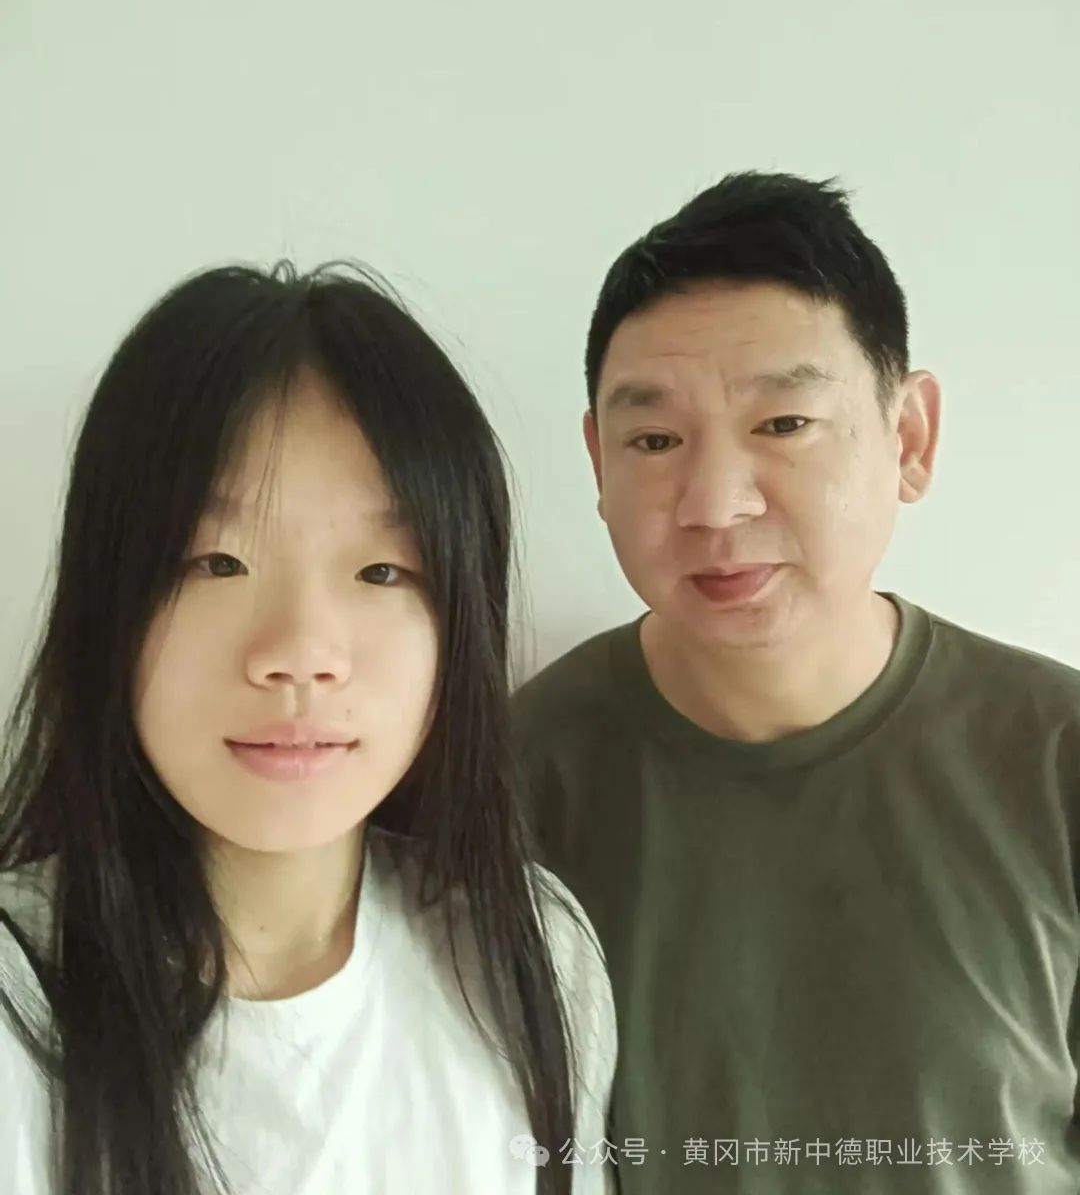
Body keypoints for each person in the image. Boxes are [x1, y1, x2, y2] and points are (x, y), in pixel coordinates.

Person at [513, 171, 1080, 1193]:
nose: (715, 503)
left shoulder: (1057, 758)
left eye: (783, 424)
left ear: (909, 437)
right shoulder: (509, 783)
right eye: (654, 440)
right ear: (598, 461)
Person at [0, 262, 616, 1195]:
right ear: (109, 600)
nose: (298, 653)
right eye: (216, 561)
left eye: (381, 571)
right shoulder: (20, 1004)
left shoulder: (532, 959)